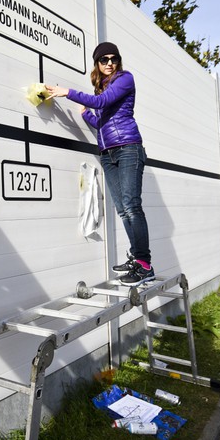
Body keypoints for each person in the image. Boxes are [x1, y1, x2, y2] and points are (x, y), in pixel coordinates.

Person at [46, 42, 154, 284]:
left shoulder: (125, 79)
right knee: (123, 210)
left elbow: (104, 102)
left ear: (118, 61)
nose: (109, 63)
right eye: (103, 59)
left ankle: (145, 264)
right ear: (97, 63)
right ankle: (138, 260)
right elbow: (103, 123)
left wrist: (68, 92)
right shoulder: (102, 89)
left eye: (113, 58)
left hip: (128, 149)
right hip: (108, 153)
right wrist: (86, 115)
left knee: (132, 206)